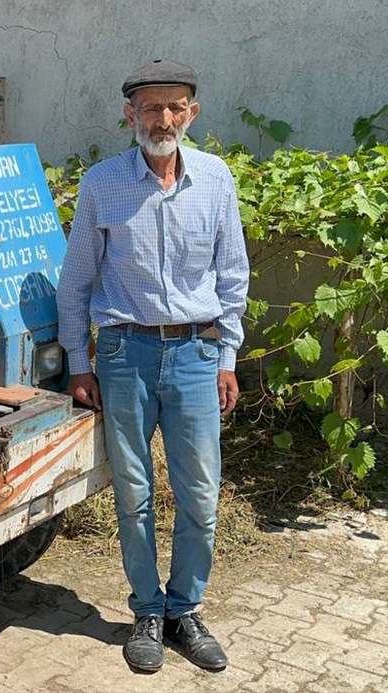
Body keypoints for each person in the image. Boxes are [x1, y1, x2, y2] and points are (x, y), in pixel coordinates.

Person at [55, 58, 249, 673]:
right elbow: (76, 281)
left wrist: (226, 355)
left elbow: (232, 276)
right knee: (134, 492)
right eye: (150, 107)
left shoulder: (217, 180)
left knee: (200, 493)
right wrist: (78, 362)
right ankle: (146, 610)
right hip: (124, 355)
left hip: (196, 354)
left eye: (174, 107)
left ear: (192, 113)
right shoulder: (102, 184)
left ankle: (185, 610)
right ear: (129, 114)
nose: (162, 119)